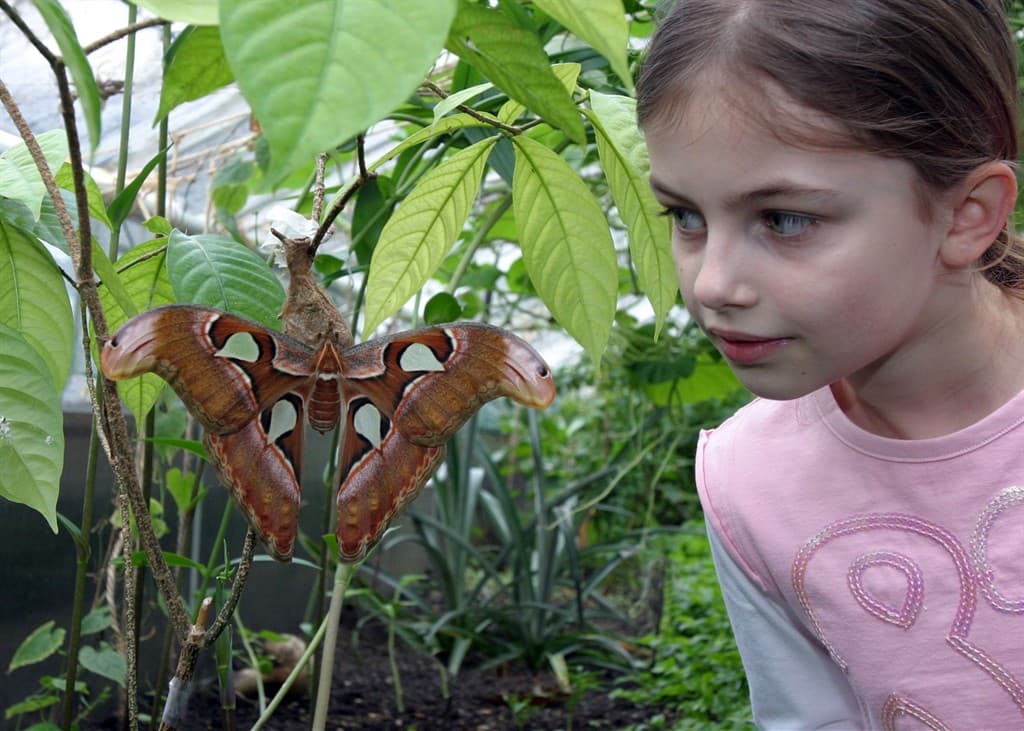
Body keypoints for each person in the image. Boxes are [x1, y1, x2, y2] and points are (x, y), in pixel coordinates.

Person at [636, 0, 1024, 727]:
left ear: (968, 214)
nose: (713, 283)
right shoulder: (749, 479)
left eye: (785, 219)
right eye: (685, 215)